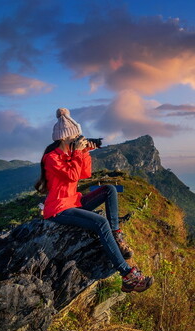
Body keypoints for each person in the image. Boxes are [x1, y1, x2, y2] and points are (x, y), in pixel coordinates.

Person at [35, 108, 154, 293]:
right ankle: (127, 275)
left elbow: (85, 173)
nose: (77, 139)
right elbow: (72, 175)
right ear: (65, 138)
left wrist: (84, 153)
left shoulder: (69, 155)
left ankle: (116, 235)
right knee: (100, 222)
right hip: (58, 208)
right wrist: (77, 153)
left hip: (74, 201)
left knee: (109, 190)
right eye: (75, 137)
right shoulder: (51, 158)